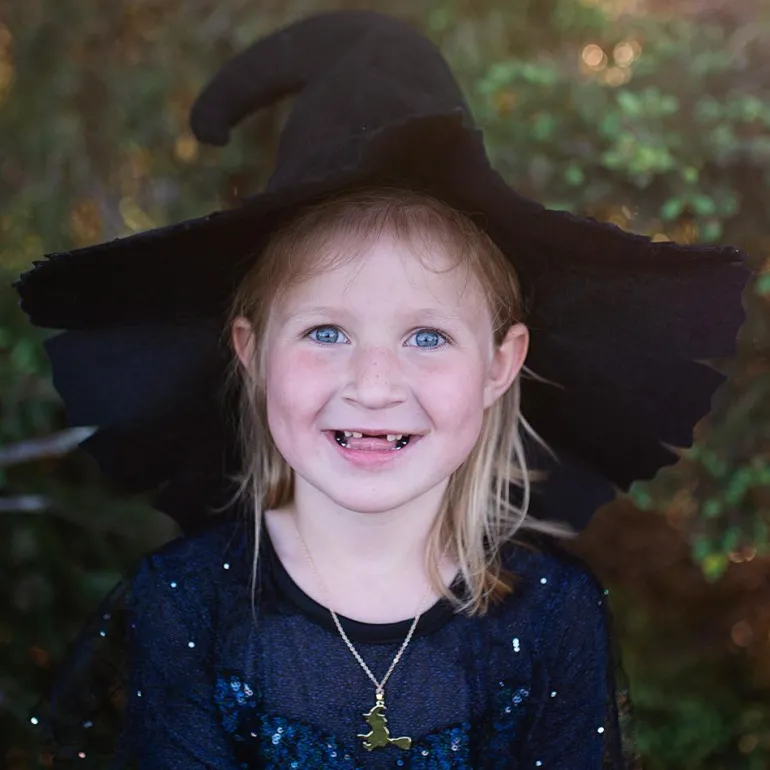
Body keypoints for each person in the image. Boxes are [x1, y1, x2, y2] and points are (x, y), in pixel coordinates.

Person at [15, 10, 749, 769]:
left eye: (427, 337)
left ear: (499, 365)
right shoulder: (185, 605)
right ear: (252, 353)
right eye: (325, 332)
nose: (372, 386)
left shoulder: (553, 617)